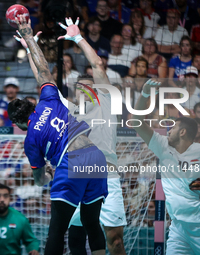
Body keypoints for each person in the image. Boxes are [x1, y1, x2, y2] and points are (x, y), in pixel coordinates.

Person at [10, 15, 107, 255]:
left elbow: (39, 180)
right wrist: (29, 38)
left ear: (18, 122)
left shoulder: (30, 139)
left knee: (56, 231)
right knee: (91, 222)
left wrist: (49, 175)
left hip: (70, 163)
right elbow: (43, 69)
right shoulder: (49, 100)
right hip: (95, 156)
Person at [61, 22, 127, 253]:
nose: (86, 90)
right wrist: (30, 45)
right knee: (76, 237)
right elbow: (43, 81)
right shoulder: (68, 110)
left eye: (91, 87)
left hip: (107, 177)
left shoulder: (107, 103)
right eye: (81, 87)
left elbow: (97, 64)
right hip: (78, 178)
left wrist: (78, 38)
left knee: (116, 240)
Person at [132, 79, 200, 255]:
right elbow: (136, 122)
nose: (168, 130)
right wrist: (145, 93)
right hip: (178, 229)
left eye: (172, 127)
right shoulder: (163, 146)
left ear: (183, 132)